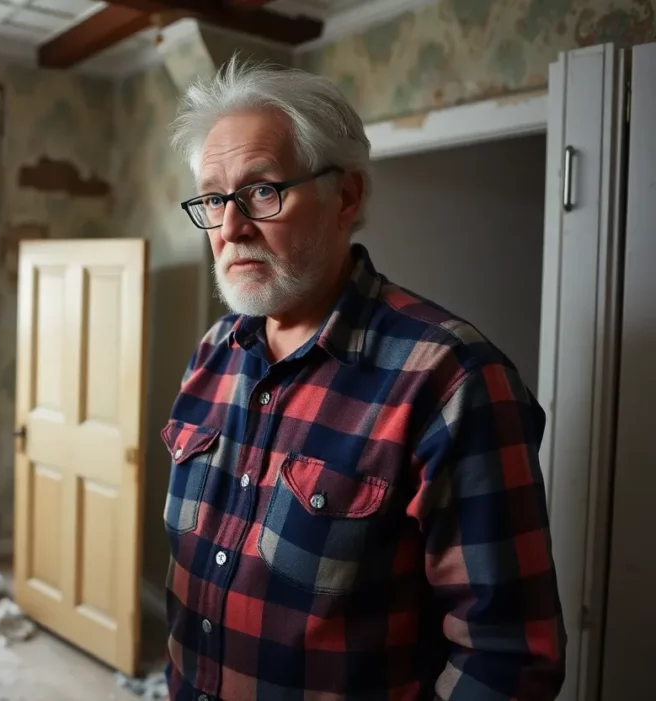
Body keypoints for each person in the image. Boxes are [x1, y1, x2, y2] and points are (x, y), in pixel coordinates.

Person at [160, 55, 566, 701]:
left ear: (345, 197)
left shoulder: (452, 380)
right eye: (213, 198)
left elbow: (506, 659)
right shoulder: (213, 352)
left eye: (261, 191)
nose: (230, 228)